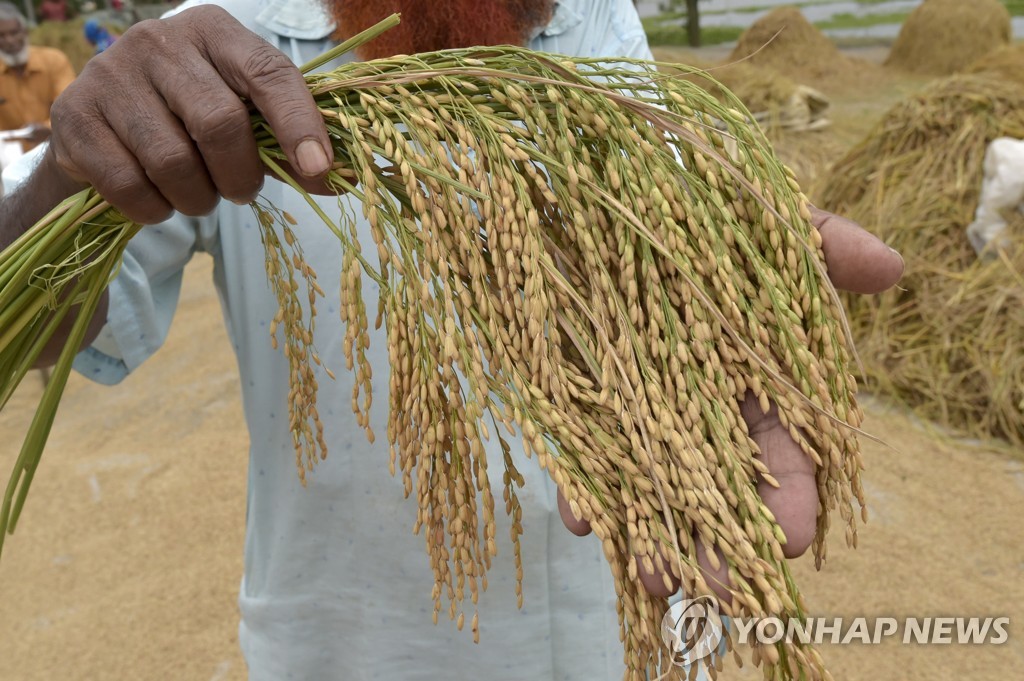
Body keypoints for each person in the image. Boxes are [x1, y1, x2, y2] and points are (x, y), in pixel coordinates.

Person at [0, 1, 904, 679]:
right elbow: (39, 317)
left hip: (619, 625)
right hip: (351, 645)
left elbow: (640, 216)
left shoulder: (593, 17)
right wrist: (65, 178)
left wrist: (713, 252)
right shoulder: (216, 42)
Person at [0, 3, 74, 150]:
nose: (9, 41)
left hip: (59, 146)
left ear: (25, 32)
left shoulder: (54, 60)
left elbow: (70, 107)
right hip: (12, 157)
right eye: (1, 35)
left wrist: (48, 128)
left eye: (14, 33)